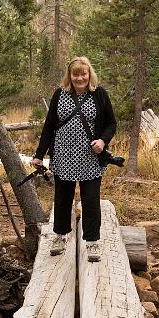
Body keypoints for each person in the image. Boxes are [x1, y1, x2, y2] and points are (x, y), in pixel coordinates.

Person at [32, 56, 117, 262]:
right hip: (63, 156)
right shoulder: (60, 94)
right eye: (75, 74)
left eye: (83, 74)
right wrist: (39, 155)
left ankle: (92, 242)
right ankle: (60, 237)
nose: (80, 78)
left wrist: (102, 141)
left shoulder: (99, 94)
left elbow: (111, 124)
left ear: (89, 74)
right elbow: (49, 126)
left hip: (90, 157)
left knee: (91, 200)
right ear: (69, 76)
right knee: (62, 199)